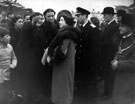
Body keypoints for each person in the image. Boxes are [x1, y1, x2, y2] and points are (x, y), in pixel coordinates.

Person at [46, 10, 78, 104]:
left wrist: (51, 58)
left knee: (62, 87)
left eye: (62, 20)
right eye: (59, 19)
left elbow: (62, 53)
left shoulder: (66, 35)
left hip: (62, 66)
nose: (59, 22)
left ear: (67, 21)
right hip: (67, 65)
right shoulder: (70, 34)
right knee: (66, 86)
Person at [111, 14, 135, 104]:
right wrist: (115, 59)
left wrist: (118, 64)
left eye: (122, 26)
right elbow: (120, 52)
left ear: (130, 27)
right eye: (119, 25)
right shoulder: (122, 39)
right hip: (119, 80)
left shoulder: (133, 42)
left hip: (128, 82)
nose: (119, 28)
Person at [100, 7, 121, 99]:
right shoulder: (107, 25)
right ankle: (107, 93)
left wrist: (100, 44)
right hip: (105, 55)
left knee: (109, 76)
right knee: (106, 75)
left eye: (105, 14)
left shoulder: (115, 26)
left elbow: (113, 42)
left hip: (110, 55)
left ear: (112, 15)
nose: (104, 16)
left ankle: (108, 94)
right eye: (103, 14)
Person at [0, 27, 17, 103]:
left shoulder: (10, 47)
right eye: (7, 36)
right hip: (1, 77)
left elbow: (14, 58)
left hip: (9, 75)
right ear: (1, 39)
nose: (10, 37)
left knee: (8, 94)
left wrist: (13, 64)